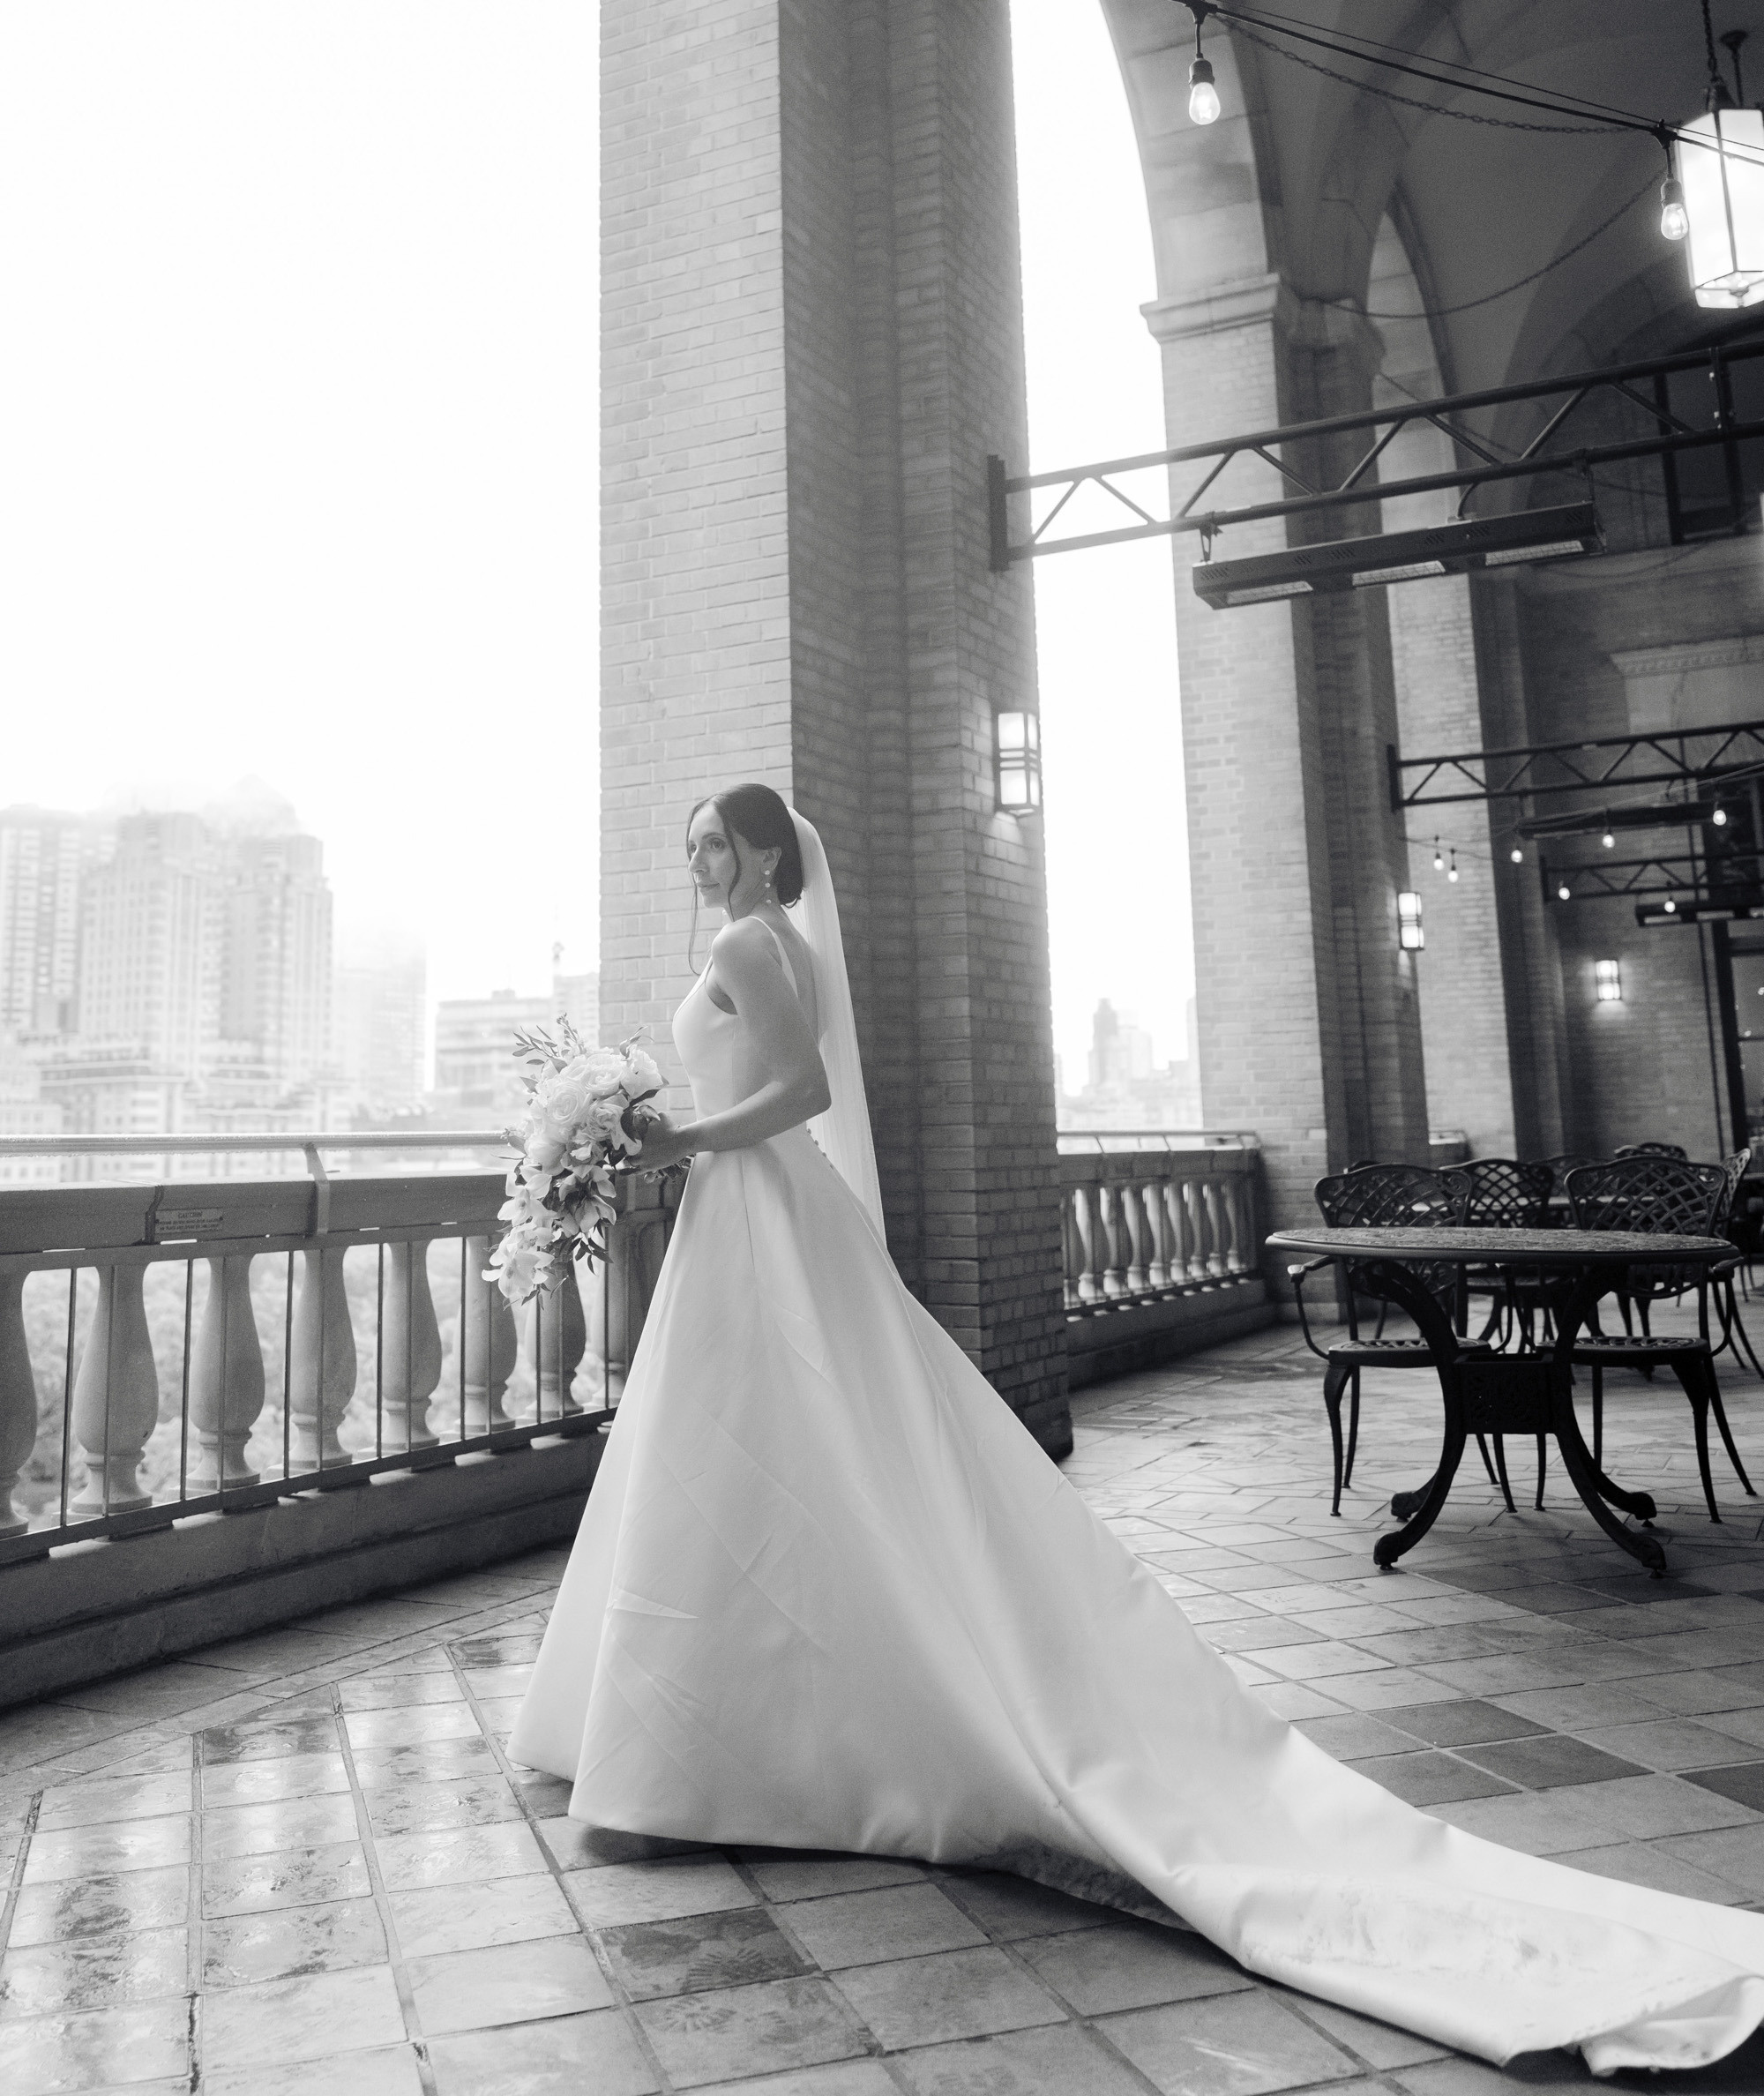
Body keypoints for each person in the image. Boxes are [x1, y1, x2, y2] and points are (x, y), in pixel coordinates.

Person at [509, 783, 1764, 2074]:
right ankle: (745, 1721)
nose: (700, 860)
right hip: (760, 1212)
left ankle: (714, 1742)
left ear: (767, 851)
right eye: (694, 845)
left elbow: (799, 1089)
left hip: (756, 1205)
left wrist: (672, 1138)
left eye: (717, 842)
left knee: (755, 1446)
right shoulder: (780, 939)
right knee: (773, 1450)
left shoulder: (746, 941)